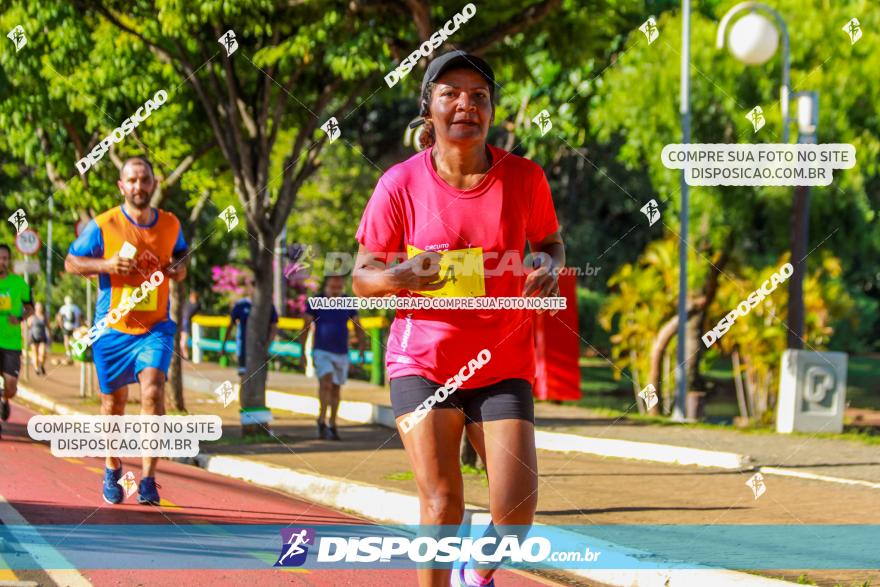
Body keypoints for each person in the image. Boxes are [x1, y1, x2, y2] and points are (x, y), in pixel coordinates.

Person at [352, 50, 564, 587]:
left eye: (478, 95)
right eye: (450, 93)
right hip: (423, 359)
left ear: (492, 111)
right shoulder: (399, 184)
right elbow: (362, 276)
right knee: (442, 501)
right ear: (429, 109)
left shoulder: (525, 178)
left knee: (516, 513)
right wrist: (401, 277)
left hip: (501, 360)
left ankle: (479, 569)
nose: (465, 104)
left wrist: (548, 265)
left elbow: (551, 243)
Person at [65, 156, 188, 505]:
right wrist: (106, 264)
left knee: (153, 391)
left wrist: (179, 269)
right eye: (131, 180)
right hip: (112, 328)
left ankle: (148, 479)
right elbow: (72, 261)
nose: (138, 186)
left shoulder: (171, 224)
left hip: (155, 328)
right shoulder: (104, 225)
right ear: (122, 186)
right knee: (113, 406)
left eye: (144, 179)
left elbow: (180, 256)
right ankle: (111, 466)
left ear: (154, 183)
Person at [299, 275, 366, 440]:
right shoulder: (317, 301)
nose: (336, 290)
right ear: (326, 286)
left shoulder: (347, 302)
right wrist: (302, 352)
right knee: (326, 383)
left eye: (339, 287)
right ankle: (321, 418)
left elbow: (358, 325)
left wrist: (362, 348)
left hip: (342, 352)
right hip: (322, 350)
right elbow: (305, 327)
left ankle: (332, 423)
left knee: (336, 388)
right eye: (333, 287)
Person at [0, 244, 34, 434]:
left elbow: (30, 308)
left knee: (11, 386)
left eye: (5, 258)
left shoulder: (18, 283)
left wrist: (20, 318)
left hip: (12, 343)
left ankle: (5, 399)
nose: (2, 262)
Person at [220, 276, 278, 377]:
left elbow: (273, 327)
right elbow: (230, 325)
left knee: (258, 377)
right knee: (244, 376)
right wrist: (224, 345)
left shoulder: (268, 305)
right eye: (253, 286)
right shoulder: (241, 305)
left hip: (260, 349)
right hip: (243, 348)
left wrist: (267, 346)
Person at [56, 296, 82, 364]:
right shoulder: (76, 307)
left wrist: (60, 324)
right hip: (75, 327)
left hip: (66, 326)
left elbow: (59, 316)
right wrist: (80, 325)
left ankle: (68, 352)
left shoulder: (63, 308)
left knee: (66, 339)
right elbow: (80, 317)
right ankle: (73, 353)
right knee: (74, 339)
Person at [27, 302, 50, 376]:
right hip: (33, 336)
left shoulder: (44, 316)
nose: (40, 308)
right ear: (36, 308)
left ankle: (41, 365)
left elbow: (48, 327)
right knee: (35, 353)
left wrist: (50, 336)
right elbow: (27, 326)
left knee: (43, 353)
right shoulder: (32, 316)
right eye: (38, 307)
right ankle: (36, 368)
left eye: (41, 307)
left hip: (42, 337)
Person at [179, 290, 201, 360]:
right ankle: (184, 356)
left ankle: (186, 357)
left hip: (187, 326)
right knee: (181, 342)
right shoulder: (187, 304)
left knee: (183, 343)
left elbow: (189, 314)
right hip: (182, 325)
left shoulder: (196, 305)